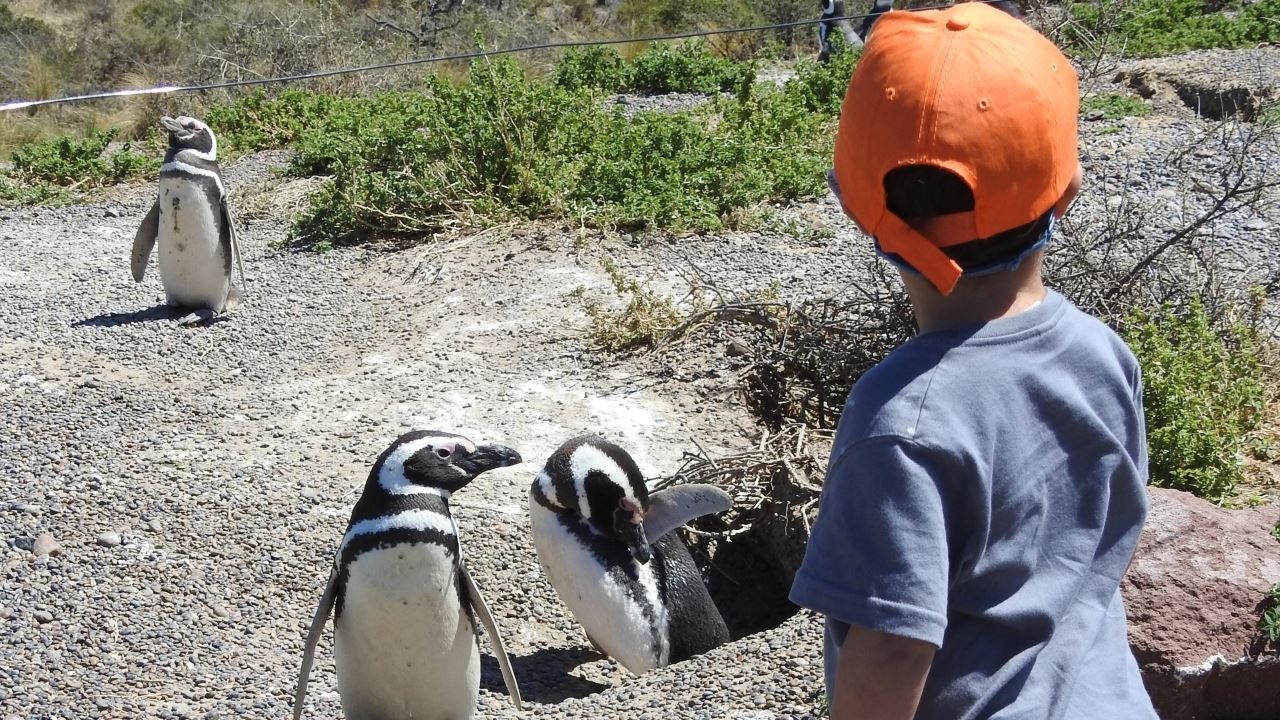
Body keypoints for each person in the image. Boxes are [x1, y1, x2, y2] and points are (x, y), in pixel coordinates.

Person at [788, 3, 1160, 720]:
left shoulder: (899, 421)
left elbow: (894, 652)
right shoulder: (1104, 355)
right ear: (1068, 190)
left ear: (855, 204)